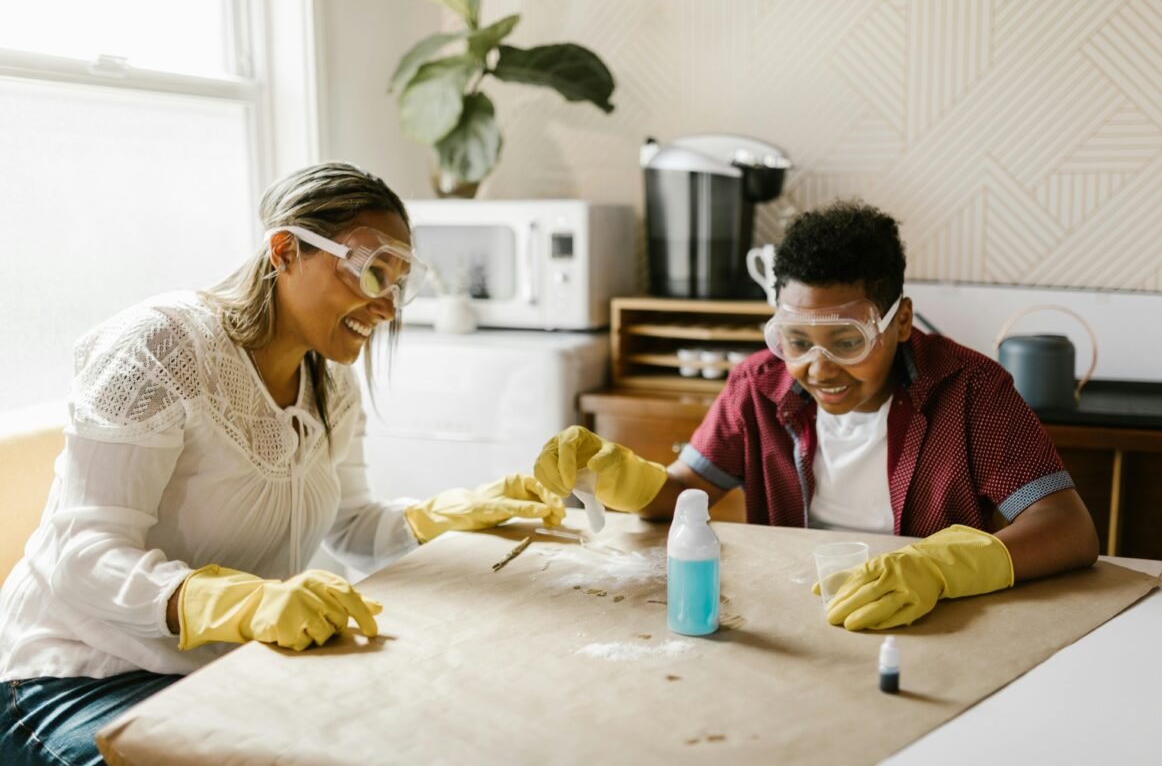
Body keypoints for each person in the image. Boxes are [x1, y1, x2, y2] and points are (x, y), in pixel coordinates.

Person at [0, 162, 564, 766]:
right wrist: (242, 604)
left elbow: (353, 528)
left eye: (400, 284)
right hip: (80, 677)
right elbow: (81, 557)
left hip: (221, 674)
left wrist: (452, 515)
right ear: (285, 250)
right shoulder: (160, 346)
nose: (388, 307)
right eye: (373, 272)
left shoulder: (332, 384)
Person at [536, 199, 1099, 632]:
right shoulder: (758, 385)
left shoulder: (971, 390)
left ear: (900, 322)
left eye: (846, 342)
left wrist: (941, 568)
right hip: (795, 615)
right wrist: (616, 473)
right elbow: (683, 494)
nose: (817, 368)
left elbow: (1069, 529)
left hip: (934, 619)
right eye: (796, 339)